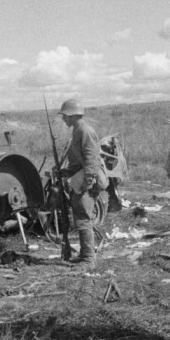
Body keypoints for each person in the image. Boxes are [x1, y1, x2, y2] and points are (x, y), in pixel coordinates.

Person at [58, 99, 108, 269]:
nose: (63, 119)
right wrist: (66, 172)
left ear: (72, 115)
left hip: (89, 181)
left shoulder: (84, 131)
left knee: (83, 218)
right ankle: (85, 255)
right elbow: (80, 161)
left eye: (65, 115)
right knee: (81, 217)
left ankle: (88, 260)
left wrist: (87, 182)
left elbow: (91, 159)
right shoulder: (78, 130)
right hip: (84, 178)